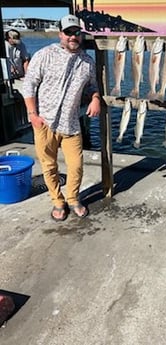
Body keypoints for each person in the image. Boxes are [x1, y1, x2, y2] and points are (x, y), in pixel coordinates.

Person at [23, 14, 101, 221]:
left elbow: (92, 86)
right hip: (44, 122)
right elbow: (29, 85)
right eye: (68, 33)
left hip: (71, 123)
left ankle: (73, 198)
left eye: (76, 33)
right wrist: (33, 115)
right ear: (61, 34)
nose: (73, 37)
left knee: (76, 165)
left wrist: (95, 98)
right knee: (49, 166)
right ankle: (57, 201)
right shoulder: (44, 54)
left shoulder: (87, 62)